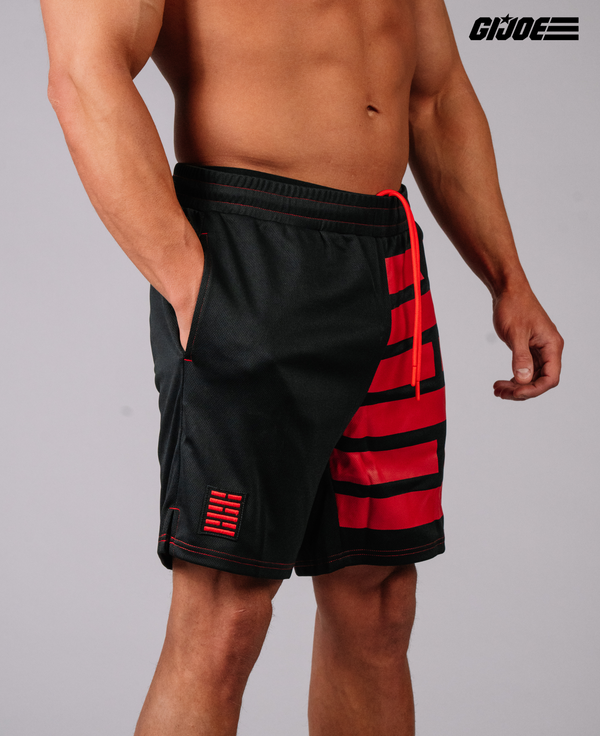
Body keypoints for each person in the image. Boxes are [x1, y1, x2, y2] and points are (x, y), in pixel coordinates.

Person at [41, 0, 563, 734]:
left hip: (388, 259)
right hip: (249, 247)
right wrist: (194, 287)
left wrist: (508, 278)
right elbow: (83, 70)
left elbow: (435, 95)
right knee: (224, 616)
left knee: (378, 596)